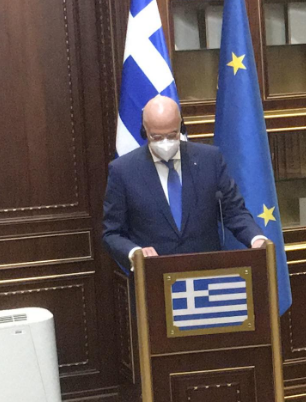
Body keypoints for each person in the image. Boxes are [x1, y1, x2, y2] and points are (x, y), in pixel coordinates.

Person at [102, 95, 266, 272]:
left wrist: (256, 238)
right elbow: (112, 233)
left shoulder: (209, 160)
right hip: (154, 276)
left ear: (181, 126)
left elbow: (234, 211)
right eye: (156, 137)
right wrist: (135, 252)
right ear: (144, 131)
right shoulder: (123, 170)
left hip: (206, 274)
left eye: (171, 135)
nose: (165, 142)